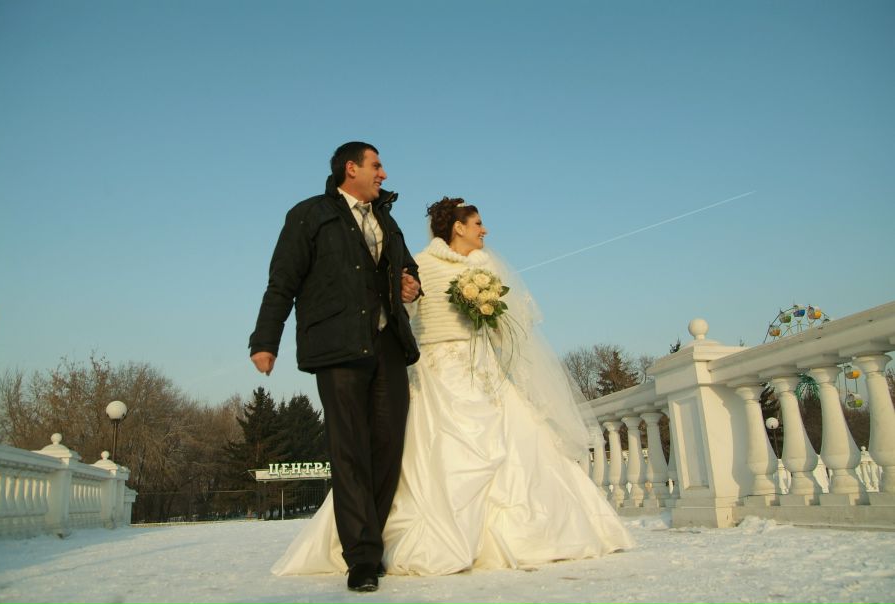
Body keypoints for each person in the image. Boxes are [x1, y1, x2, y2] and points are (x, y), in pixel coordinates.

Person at [271, 196, 633, 578]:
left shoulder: (486, 266)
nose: (484, 230)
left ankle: (538, 531)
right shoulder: (421, 264)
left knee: (516, 439)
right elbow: (403, 312)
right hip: (437, 369)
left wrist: (493, 315)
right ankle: (372, 540)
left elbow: (510, 324)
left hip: (484, 369)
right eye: (477, 223)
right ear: (458, 227)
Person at [249, 142, 422, 592]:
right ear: (351, 168)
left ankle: (371, 540)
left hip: (388, 345)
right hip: (338, 346)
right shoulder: (310, 214)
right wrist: (265, 341)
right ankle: (362, 558)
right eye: (376, 165)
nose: (383, 173)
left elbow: (407, 267)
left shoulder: (387, 219)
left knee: (387, 446)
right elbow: (282, 280)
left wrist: (410, 283)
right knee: (349, 451)